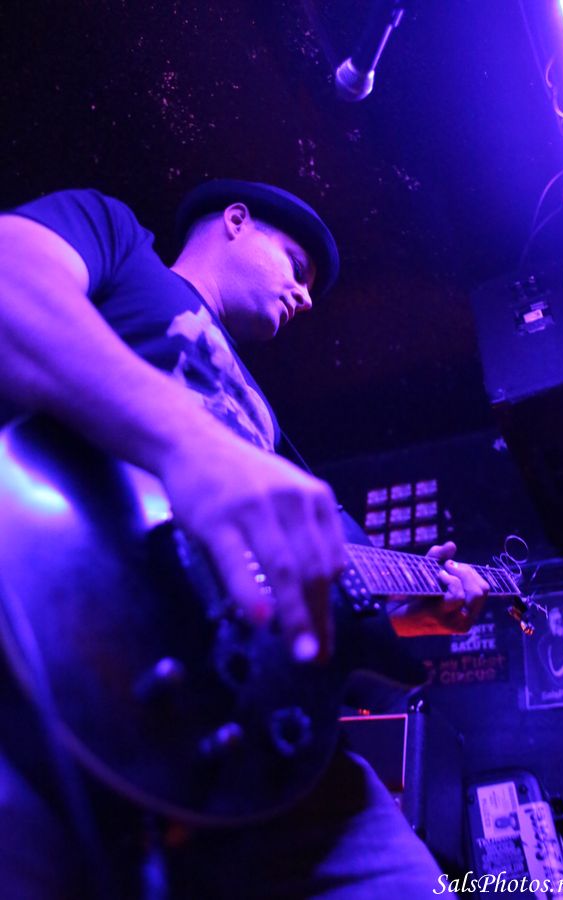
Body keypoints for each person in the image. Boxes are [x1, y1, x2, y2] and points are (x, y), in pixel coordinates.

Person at [0, 180, 488, 898]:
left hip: (262, 748)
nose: (307, 297)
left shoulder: (267, 424)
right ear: (236, 222)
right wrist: (187, 440)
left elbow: (328, 590)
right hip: (59, 659)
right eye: (297, 266)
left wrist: (420, 611)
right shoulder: (120, 240)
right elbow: (11, 280)